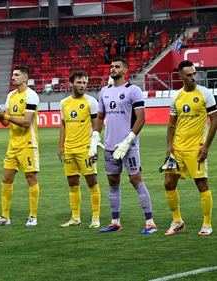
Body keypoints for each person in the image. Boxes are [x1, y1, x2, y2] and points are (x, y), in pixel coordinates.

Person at [89, 58, 157, 234]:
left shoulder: (133, 91)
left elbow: (141, 118)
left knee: (135, 180)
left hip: (129, 145)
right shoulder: (104, 91)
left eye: (117, 66)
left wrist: (128, 141)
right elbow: (99, 117)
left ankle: (150, 223)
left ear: (125, 70)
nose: (113, 69)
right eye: (111, 66)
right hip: (110, 145)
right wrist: (95, 137)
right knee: (112, 181)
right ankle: (115, 221)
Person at [164, 60, 217, 236]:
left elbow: (214, 120)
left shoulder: (205, 93)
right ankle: (177, 221)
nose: (193, 77)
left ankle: (207, 224)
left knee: (201, 184)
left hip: (196, 148)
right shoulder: (177, 96)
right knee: (169, 183)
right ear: (180, 77)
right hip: (177, 148)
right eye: (189, 75)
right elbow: (172, 124)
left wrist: (206, 146)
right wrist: (169, 145)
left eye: (194, 74)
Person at [0, 65, 40, 227]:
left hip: (28, 144)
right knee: (6, 179)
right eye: (12, 74)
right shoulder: (10, 96)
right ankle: (4, 216)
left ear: (25, 78)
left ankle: (33, 216)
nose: (13, 77)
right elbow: (6, 122)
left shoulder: (31, 96)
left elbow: (26, 122)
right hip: (13, 145)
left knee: (30, 178)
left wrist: (6, 116)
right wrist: (0, 117)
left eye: (17, 74)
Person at [58, 71, 101, 229]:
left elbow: (97, 124)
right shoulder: (64, 103)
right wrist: (61, 146)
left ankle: (95, 218)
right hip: (69, 149)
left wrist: (94, 146)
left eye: (84, 83)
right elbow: (63, 125)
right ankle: (75, 217)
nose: (83, 85)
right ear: (71, 84)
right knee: (72, 183)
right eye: (79, 82)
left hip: (85, 149)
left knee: (92, 182)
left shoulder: (91, 102)